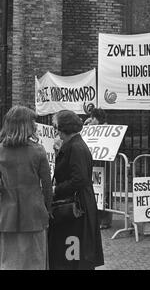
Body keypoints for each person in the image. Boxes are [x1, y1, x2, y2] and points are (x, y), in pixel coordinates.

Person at [48, 110, 104, 270]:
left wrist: (55, 190)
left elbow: (79, 179)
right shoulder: (72, 145)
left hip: (76, 208)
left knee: (73, 254)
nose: (56, 131)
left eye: (57, 127)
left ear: (64, 127)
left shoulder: (76, 147)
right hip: (75, 205)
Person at [0, 106, 52, 270]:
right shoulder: (38, 150)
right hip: (35, 214)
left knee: (9, 262)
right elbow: (47, 186)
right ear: (25, 125)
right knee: (35, 261)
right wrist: (48, 209)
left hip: (7, 214)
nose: (35, 125)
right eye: (33, 121)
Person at [84, 108, 112, 230]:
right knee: (97, 190)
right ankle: (98, 218)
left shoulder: (107, 129)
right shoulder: (93, 128)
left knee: (105, 190)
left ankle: (105, 220)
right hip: (96, 164)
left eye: (92, 118)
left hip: (104, 164)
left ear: (95, 118)